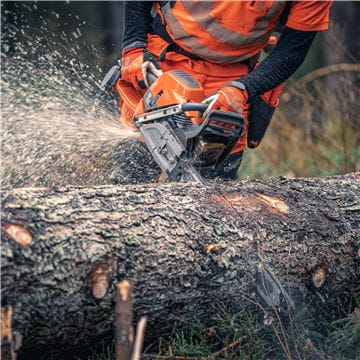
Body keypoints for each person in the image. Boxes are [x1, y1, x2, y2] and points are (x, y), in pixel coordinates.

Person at [118, 1, 333, 179]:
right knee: (132, 170)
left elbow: (293, 50)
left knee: (215, 188)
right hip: (165, 60)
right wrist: (133, 47)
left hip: (232, 77)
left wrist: (243, 89)